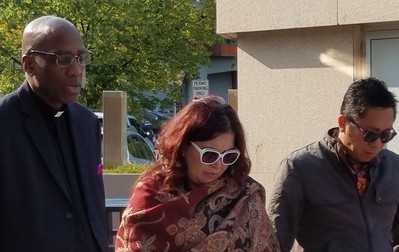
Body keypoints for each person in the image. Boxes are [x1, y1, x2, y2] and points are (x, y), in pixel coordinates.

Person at [115, 95, 280, 251]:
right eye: (209, 154)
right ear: (183, 147)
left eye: (229, 156)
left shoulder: (244, 196)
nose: (218, 164)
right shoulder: (151, 196)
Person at [0, 16, 108, 251]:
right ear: (29, 64)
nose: (76, 70)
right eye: (63, 59)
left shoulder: (87, 122)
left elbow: (94, 201)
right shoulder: (4, 123)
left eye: (81, 58)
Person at [267, 77, 399, 252]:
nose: (377, 143)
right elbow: (274, 242)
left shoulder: (395, 168)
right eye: (370, 134)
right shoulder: (300, 168)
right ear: (343, 123)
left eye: (386, 135)